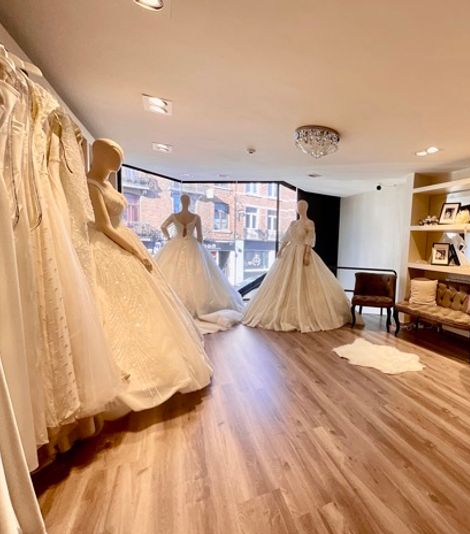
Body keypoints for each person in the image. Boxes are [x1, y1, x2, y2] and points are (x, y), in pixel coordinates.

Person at [86, 139, 213, 416]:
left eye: (121, 156)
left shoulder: (107, 185)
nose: (119, 160)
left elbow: (195, 234)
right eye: (114, 155)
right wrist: (135, 251)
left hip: (133, 241)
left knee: (145, 302)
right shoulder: (91, 185)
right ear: (99, 154)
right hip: (109, 244)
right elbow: (104, 225)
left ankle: (161, 361)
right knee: (113, 303)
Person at [243, 200, 351, 332]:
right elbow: (287, 237)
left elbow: (309, 238)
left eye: (302, 206)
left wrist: (307, 254)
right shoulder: (293, 223)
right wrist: (281, 249)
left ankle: (306, 314)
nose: (299, 208)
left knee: (305, 282)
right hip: (289, 253)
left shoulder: (309, 223)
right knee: (283, 282)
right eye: (298, 206)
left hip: (302, 252)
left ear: (306, 208)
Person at [154, 194, 244, 328]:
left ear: (181, 202)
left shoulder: (174, 216)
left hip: (176, 243)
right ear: (189, 203)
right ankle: (197, 305)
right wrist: (199, 247)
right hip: (192, 245)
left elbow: (163, 226)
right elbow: (200, 237)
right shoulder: (195, 217)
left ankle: (175, 305)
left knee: (173, 271)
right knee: (197, 274)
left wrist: (168, 237)